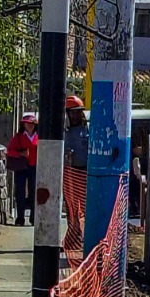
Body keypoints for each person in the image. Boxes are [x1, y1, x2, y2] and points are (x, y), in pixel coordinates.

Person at [63, 95, 88, 254]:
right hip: (69, 175)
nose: (75, 115)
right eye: (71, 113)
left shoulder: (88, 130)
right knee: (71, 208)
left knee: (86, 209)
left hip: (85, 173)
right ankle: (73, 239)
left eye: (77, 112)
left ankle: (87, 239)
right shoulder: (63, 132)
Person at [5, 112, 38, 226]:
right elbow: (9, 150)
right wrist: (20, 154)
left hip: (34, 167)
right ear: (23, 124)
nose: (30, 125)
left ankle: (33, 218)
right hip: (21, 167)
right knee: (20, 192)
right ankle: (20, 218)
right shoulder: (18, 137)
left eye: (32, 123)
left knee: (34, 192)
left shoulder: (39, 136)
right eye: (28, 123)